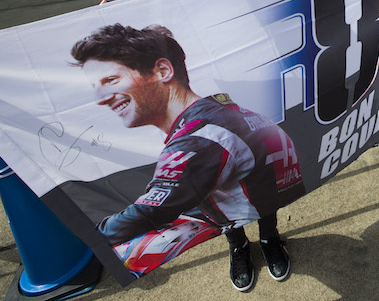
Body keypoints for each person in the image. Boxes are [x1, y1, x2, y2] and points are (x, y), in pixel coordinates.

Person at [98, 0, 296, 291]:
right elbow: (93, 39)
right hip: (189, 113)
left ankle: (271, 236)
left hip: (249, 100)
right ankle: (237, 243)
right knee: (211, 184)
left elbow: (288, 8)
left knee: (261, 175)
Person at [71, 24, 306, 290]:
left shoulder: (197, 140)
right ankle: (248, 243)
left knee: (235, 197)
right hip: (250, 196)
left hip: (256, 198)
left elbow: (150, 211)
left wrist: (86, 236)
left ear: (162, 71)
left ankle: (264, 241)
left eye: (111, 80)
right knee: (224, 194)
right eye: (96, 86)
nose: (100, 98)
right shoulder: (217, 107)